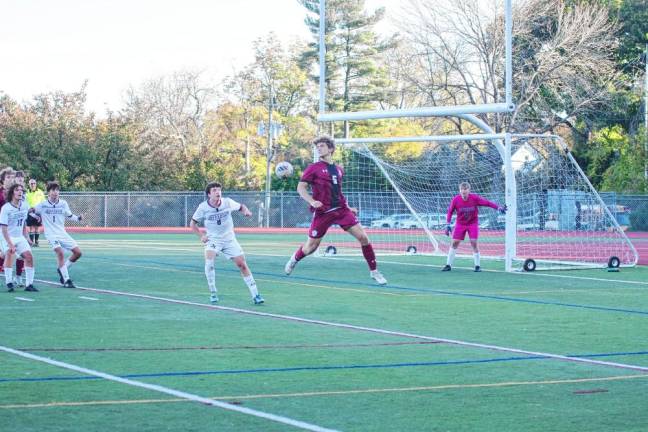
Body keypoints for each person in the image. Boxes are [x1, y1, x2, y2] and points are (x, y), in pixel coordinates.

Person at [284, 135, 387, 285]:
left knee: (364, 238)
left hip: (341, 210)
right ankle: (294, 259)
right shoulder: (313, 168)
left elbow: (337, 192)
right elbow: (300, 187)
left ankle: (374, 271)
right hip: (323, 213)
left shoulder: (339, 170)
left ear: (331, 149)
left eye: (322, 146)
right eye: (317, 147)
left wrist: (349, 207)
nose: (319, 149)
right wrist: (312, 201)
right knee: (311, 247)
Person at [190, 182, 264, 305]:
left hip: (229, 239)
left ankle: (255, 294)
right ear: (209, 194)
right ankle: (213, 292)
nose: (218, 192)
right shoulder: (203, 207)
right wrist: (201, 235)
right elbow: (193, 224)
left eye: (219, 190)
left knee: (242, 265)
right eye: (214, 190)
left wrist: (246, 211)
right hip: (213, 239)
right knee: (209, 262)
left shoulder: (227, 202)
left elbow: (241, 207)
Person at [442, 181, 507, 272]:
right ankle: (448, 265)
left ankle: (477, 266)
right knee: (454, 243)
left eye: (465, 189)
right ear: (459, 191)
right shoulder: (456, 200)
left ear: (469, 190)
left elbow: (487, 203)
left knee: (473, 243)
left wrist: (498, 208)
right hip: (460, 224)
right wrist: (448, 224)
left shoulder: (474, 198)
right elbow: (450, 212)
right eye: (461, 189)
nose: (463, 191)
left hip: (472, 223)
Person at [30, 181, 83, 288]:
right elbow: (30, 211)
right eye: (53, 190)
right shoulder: (43, 205)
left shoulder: (63, 203)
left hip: (62, 233)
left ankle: (62, 269)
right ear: (48, 193)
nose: (55, 192)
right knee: (60, 253)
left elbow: (69, 215)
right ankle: (66, 280)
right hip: (51, 234)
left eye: (57, 190)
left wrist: (78, 218)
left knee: (78, 253)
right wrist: (37, 217)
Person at [1, 183, 37, 292]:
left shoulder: (24, 205)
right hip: (6, 236)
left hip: (19, 236)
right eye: (17, 190)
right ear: (12, 193)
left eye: (21, 190)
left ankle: (29, 285)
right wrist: (10, 243)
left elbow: (23, 223)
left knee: (29, 257)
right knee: (9, 254)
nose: (20, 192)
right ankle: (9, 283)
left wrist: (27, 237)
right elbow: (3, 228)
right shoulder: (6, 208)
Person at [26, 178, 46, 246]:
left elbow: (43, 202)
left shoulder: (40, 192)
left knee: (37, 227)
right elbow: (25, 202)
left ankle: (36, 242)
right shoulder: (26, 192)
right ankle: (31, 242)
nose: (33, 185)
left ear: (36, 184)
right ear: (29, 184)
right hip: (30, 212)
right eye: (31, 183)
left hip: (38, 212)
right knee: (31, 227)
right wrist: (29, 209)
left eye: (34, 183)